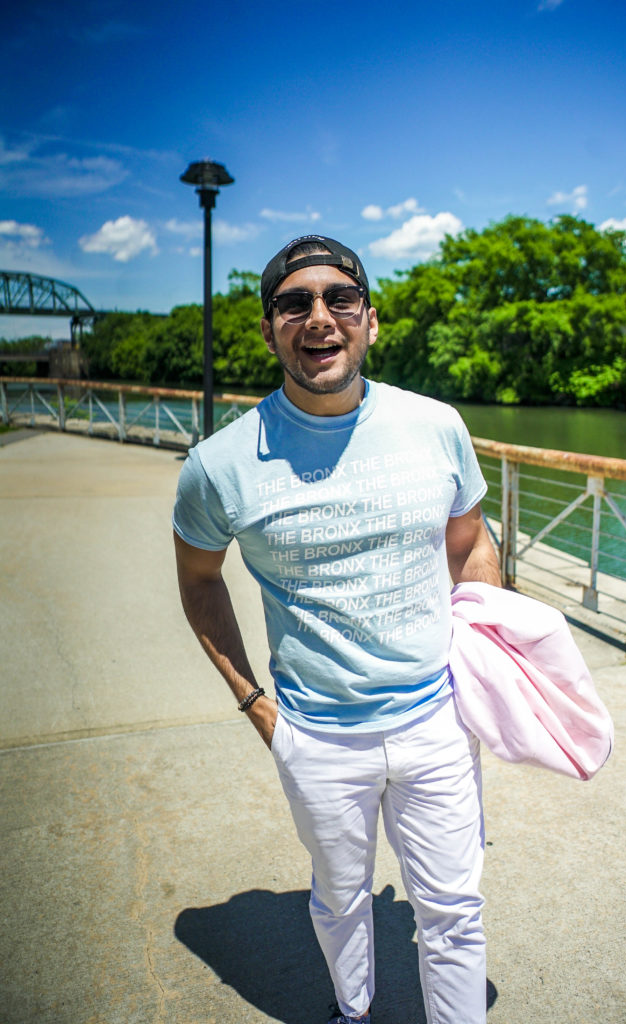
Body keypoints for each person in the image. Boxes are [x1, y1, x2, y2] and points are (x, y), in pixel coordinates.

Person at [172, 235, 502, 1024]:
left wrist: (483, 671)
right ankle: (353, 1012)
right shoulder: (219, 465)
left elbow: (471, 544)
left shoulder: (437, 424)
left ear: (370, 321)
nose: (319, 318)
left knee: (454, 910)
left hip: (437, 719)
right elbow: (199, 579)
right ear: (269, 329)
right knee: (343, 896)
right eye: (294, 303)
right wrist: (258, 706)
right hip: (317, 735)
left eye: (338, 299)